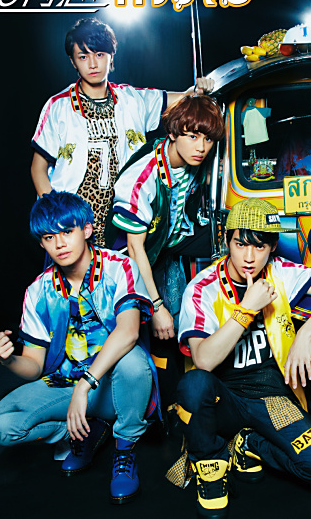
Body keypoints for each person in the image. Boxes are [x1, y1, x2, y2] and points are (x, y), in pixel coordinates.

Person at [173, 198, 311, 518]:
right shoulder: (201, 288)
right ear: (226, 241)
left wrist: (305, 335)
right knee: (194, 383)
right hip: (222, 400)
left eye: (259, 246)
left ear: (272, 247)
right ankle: (211, 467)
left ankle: (246, 444)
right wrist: (246, 309)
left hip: (273, 398)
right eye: (240, 244)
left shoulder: (279, 272)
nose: (249, 257)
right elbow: (203, 360)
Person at [0, 191, 156, 504]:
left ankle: (125, 449)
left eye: (67, 231)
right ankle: (82, 432)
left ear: (87, 229)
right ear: (42, 244)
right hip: (67, 386)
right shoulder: (38, 290)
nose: (60, 244)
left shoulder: (119, 268)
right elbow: (34, 366)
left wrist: (85, 385)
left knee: (132, 360)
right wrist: (9, 360)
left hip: (114, 387)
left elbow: (129, 331)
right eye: (49, 237)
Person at [30, 17, 213, 246]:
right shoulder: (58, 106)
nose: (93, 64)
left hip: (122, 219)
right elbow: (38, 167)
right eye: (83, 57)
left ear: (111, 56)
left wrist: (200, 88)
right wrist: (54, 216)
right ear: (73, 61)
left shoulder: (131, 99)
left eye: (100, 54)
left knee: (127, 268)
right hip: (72, 222)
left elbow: (184, 98)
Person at [106, 94, 224, 413]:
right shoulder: (141, 178)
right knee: (160, 328)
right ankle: (162, 408)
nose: (201, 147)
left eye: (208, 139)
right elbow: (135, 249)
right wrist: (155, 305)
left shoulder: (197, 160)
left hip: (171, 241)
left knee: (232, 242)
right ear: (172, 133)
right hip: (133, 258)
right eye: (193, 136)